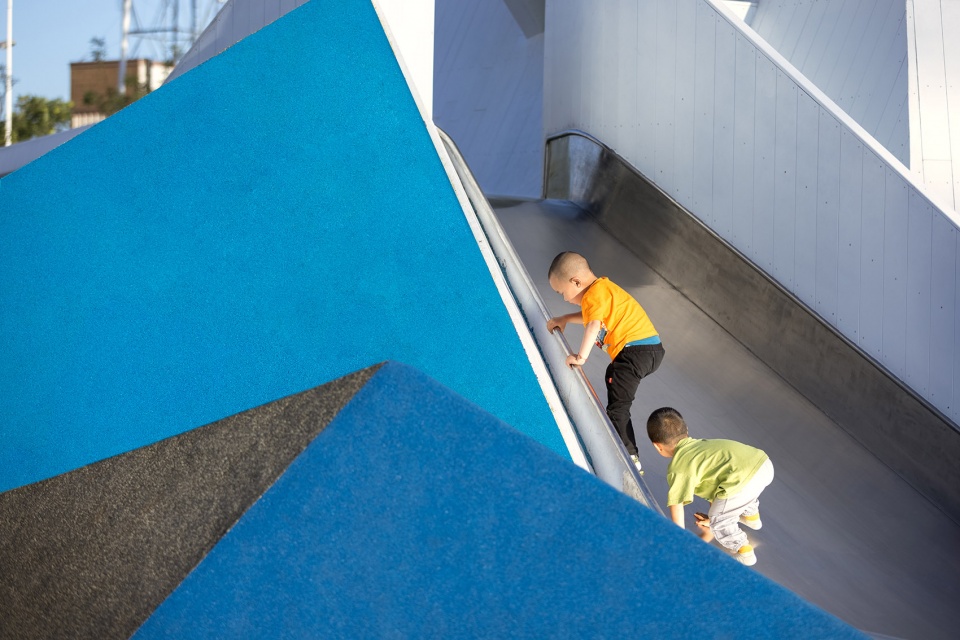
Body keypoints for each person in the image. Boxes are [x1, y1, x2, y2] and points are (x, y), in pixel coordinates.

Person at [546, 251, 664, 469]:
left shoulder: (594, 294)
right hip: (646, 350)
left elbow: (593, 324)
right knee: (612, 374)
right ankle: (625, 445)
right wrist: (565, 318)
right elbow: (592, 317)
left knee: (618, 408)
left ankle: (631, 459)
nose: (565, 299)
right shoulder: (601, 291)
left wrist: (581, 357)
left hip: (636, 351)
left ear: (576, 281)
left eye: (562, 292)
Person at [646, 406, 774, 566]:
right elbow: (717, 488)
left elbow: (676, 505)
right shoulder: (702, 446)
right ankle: (751, 517)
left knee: (720, 520)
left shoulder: (678, 467)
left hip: (742, 480)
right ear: (686, 430)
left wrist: (679, 539)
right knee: (737, 491)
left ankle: (744, 552)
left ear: (657, 446)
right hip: (762, 463)